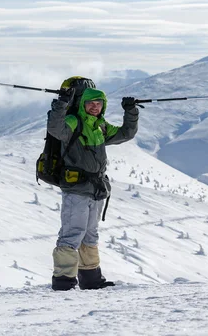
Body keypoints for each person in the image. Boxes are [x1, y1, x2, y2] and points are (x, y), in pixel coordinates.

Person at [47, 86, 139, 291]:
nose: (95, 107)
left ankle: (91, 279)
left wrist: (130, 111)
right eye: (91, 103)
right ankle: (64, 281)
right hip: (76, 188)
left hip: (96, 189)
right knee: (72, 233)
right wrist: (61, 103)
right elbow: (55, 129)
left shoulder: (101, 126)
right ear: (82, 104)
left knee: (90, 234)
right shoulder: (73, 122)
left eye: (99, 104)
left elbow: (126, 133)